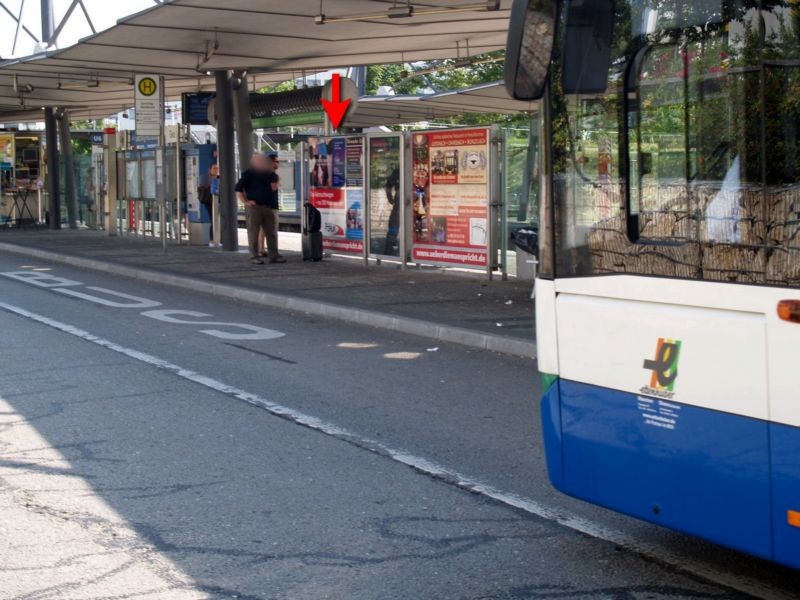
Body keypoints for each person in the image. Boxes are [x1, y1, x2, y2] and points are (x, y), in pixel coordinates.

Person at [236, 154, 286, 265]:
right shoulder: (248, 174)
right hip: (254, 207)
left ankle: (274, 255)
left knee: (271, 232)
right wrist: (246, 202)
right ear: (254, 163)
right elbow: (238, 189)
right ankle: (254, 255)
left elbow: (273, 188)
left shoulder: (270, 174)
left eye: (264, 161)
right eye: (260, 161)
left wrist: (275, 178)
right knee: (254, 232)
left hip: (269, 206)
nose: (263, 163)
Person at [258, 152, 284, 258]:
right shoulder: (273, 175)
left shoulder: (261, 174)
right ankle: (274, 252)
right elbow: (273, 188)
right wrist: (278, 183)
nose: (278, 164)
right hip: (272, 206)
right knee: (273, 230)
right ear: (271, 162)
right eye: (277, 161)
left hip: (261, 205)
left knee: (262, 230)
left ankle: (261, 250)